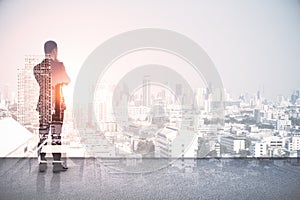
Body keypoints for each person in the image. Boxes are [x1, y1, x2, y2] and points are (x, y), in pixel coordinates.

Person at [33, 40, 70, 172]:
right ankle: (56, 164)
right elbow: (67, 80)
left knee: (43, 134)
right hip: (57, 105)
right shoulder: (59, 66)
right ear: (54, 51)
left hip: (44, 105)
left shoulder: (37, 68)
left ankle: (42, 164)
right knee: (56, 136)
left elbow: (43, 83)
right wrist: (58, 64)